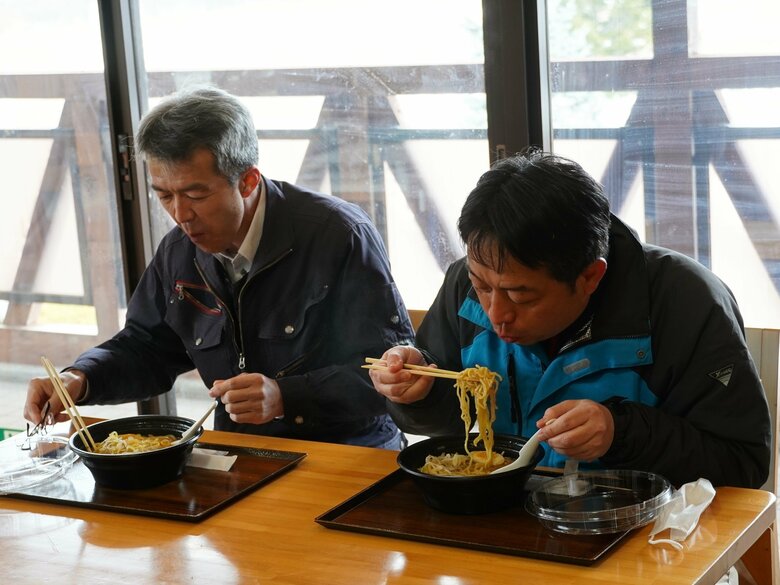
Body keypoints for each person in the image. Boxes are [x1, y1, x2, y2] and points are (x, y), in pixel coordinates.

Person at [24, 86, 414, 449]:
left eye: (195, 194)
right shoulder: (179, 250)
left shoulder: (338, 235)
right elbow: (146, 347)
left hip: (347, 453)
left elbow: (392, 374)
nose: (179, 215)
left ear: (247, 181)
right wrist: (79, 379)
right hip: (239, 455)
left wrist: (284, 397)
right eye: (164, 195)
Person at [369, 149, 771, 487]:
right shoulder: (466, 281)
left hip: (641, 536)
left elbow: (742, 464)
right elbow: (446, 426)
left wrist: (619, 433)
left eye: (520, 295)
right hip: (504, 518)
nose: (496, 315)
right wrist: (416, 392)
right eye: (483, 287)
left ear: (589, 277)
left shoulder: (683, 302)